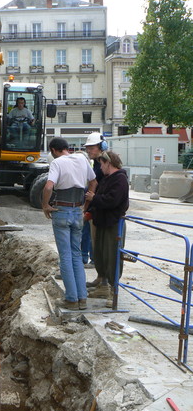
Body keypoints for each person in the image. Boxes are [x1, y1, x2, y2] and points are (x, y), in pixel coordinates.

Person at [42, 137, 97, 310]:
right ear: (67, 147)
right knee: (76, 255)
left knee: (65, 256)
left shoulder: (57, 163)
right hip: (77, 211)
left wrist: (45, 206)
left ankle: (71, 299)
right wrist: (84, 205)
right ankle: (82, 298)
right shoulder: (81, 158)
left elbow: (49, 187)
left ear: (53, 150)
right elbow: (93, 182)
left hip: (62, 210)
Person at [85, 151, 129, 307]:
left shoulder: (120, 180)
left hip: (113, 224)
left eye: (102, 164)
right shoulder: (107, 179)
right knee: (101, 254)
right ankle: (103, 286)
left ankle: (113, 291)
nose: (100, 167)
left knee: (112, 257)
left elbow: (112, 201)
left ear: (109, 163)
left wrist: (94, 198)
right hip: (103, 222)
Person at [83, 132, 109, 293]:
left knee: (101, 247)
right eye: (87, 148)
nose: (88, 151)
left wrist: (88, 206)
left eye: (91, 147)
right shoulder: (97, 164)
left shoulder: (103, 165)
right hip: (96, 209)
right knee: (96, 246)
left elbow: (97, 187)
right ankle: (100, 278)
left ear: (101, 147)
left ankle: (104, 283)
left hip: (101, 211)